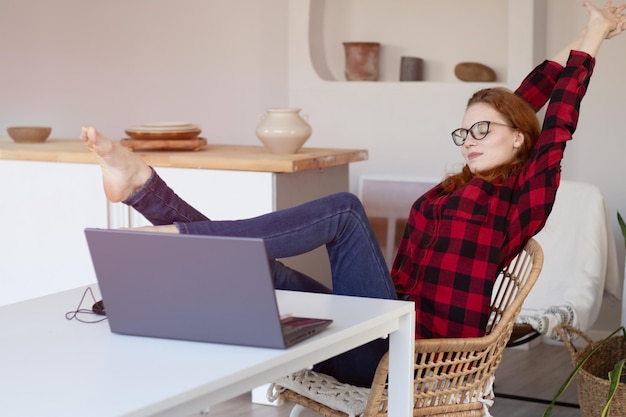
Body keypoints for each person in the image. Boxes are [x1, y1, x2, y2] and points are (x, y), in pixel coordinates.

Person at [81, 1, 625, 388]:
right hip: (378, 325)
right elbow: (526, 95)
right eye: (465, 132)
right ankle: (147, 191)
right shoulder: (462, 185)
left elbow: (555, 116)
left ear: (520, 138)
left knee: (343, 211)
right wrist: (588, 23)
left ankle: (180, 231)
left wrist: (596, 35)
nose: (470, 141)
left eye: (484, 130)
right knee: (256, 270)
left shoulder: (523, 196)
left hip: (408, 359)